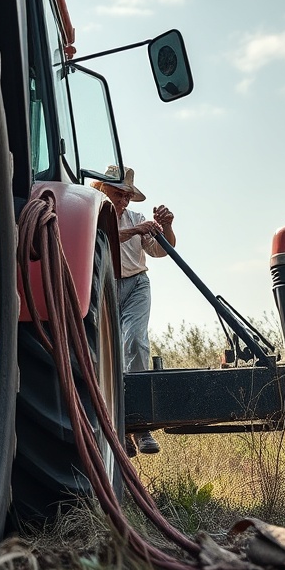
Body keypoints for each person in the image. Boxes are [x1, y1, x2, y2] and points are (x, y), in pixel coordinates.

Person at [92, 165, 176, 456]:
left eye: (127, 197)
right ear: (103, 190)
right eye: (119, 194)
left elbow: (161, 251)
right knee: (107, 350)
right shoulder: (95, 217)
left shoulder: (137, 219)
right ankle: (119, 425)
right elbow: (106, 237)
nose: (123, 201)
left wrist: (166, 227)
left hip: (137, 284)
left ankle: (140, 424)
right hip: (105, 286)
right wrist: (137, 230)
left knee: (136, 341)